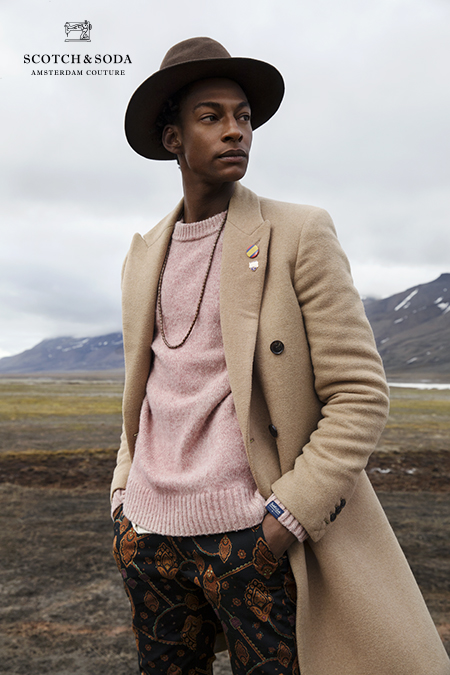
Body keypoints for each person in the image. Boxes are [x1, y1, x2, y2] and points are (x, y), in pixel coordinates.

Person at [111, 37, 450, 675]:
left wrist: (285, 519)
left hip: (250, 539)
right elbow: (146, 387)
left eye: (242, 116)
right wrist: (123, 496)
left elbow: (360, 393)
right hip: (150, 539)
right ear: (173, 138)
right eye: (211, 117)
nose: (235, 130)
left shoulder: (298, 233)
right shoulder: (142, 255)